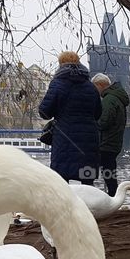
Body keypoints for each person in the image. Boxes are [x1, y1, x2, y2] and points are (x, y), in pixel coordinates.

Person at [38, 51, 101, 186]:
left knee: (62, 180)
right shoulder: (91, 86)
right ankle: (88, 207)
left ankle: (65, 207)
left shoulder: (58, 84)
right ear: (79, 63)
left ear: (61, 64)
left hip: (64, 139)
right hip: (89, 140)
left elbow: (44, 112)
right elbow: (98, 113)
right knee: (87, 181)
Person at [91, 73, 130, 196]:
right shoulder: (116, 98)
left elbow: (103, 122)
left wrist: (92, 121)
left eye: (94, 87)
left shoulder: (109, 99)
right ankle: (113, 198)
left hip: (106, 142)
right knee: (109, 173)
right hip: (113, 142)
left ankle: (111, 199)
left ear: (100, 85)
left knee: (100, 173)